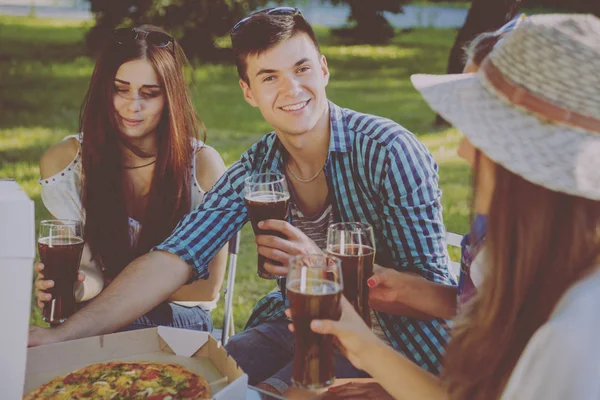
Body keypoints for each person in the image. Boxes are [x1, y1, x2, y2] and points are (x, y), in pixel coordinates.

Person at [29, 8, 453, 393]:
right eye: (269, 76)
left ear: (323, 70)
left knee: (260, 394)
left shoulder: (389, 151)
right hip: (291, 325)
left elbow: (437, 295)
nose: (292, 88)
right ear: (248, 92)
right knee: (191, 384)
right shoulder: (258, 166)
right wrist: (63, 335)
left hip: (394, 344)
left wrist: (322, 270)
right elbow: (171, 258)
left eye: (301, 67)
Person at [295, 13, 600, 400]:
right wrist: (375, 351)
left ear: (525, 167)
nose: (463, 151)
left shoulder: (576, 335)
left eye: (479, 133)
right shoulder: (547, 271)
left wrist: (367, 350)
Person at [34, 25, 227, 332]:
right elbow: (89, 271)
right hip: (98, 313)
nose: (132, 106)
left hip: (180, 316)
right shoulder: (69, 162)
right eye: (120, 89)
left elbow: (205, 289)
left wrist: (113, 295)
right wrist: (76, 288)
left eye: (149, 94)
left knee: (87, 332)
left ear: (170, 98)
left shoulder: (202, 166)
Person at [367, 15, 526, 324]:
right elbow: (473, 305)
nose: (461, 151)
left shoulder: (559, 278)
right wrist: (402, 288)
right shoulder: (498, 220)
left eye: (477, 127)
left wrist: (361, 345)